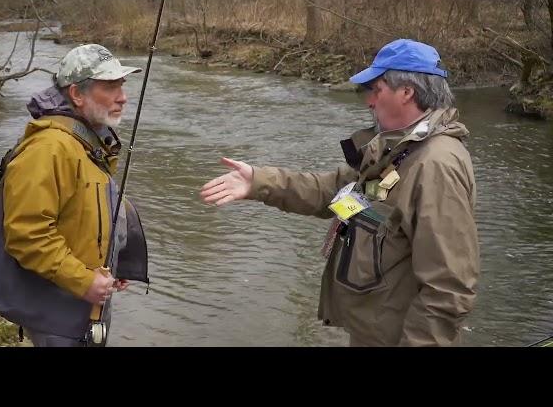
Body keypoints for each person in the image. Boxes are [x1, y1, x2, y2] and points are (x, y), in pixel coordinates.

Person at [200, 39, 479, 346]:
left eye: (376, 89)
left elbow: (448, 288)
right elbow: (334, 194)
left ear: (407, 92)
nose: (369, 101)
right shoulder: (395, 150)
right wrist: (258, 181)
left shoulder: (436, 165)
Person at [0, 44, 148, 347]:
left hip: (86, 305)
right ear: (76, 94)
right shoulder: (48, 148)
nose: (123, 96)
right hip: (57, 315)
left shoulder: (89, 142)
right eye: (110, 86)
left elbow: (88, 215)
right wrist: (85, 281)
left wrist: (114, 262)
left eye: (121, 85)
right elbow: (27, 235)